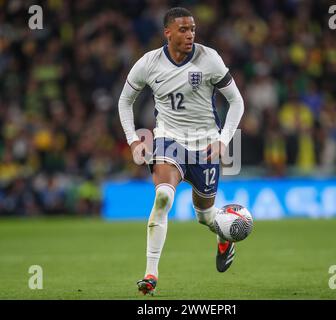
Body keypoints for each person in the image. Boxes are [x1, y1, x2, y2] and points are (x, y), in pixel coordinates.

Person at [118, 7, 244, 295]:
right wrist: (133, 140)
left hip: (205, 145)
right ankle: (151, 274)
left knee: (206, 217)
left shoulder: (209, 59)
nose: (190, 35)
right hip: (168, 140)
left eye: (193, 29)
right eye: (184, 30)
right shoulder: (148, 63)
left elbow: (237, 101)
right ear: (168, 32)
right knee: (163, 196)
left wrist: (223, 140)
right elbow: (125, 101)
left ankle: (225, 237)